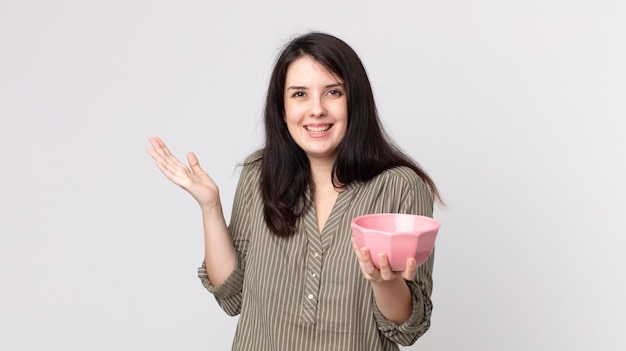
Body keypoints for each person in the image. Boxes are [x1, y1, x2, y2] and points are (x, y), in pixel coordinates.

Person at [147, 31, 442, 351]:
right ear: (282, 107)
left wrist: (386, 283)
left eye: (333, 92)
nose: (316, 109)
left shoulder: (401, 187)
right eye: (299, 94)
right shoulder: (259, 173)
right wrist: (210, 208)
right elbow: (233, 296)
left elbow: (407, 330)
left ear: (356, 101)